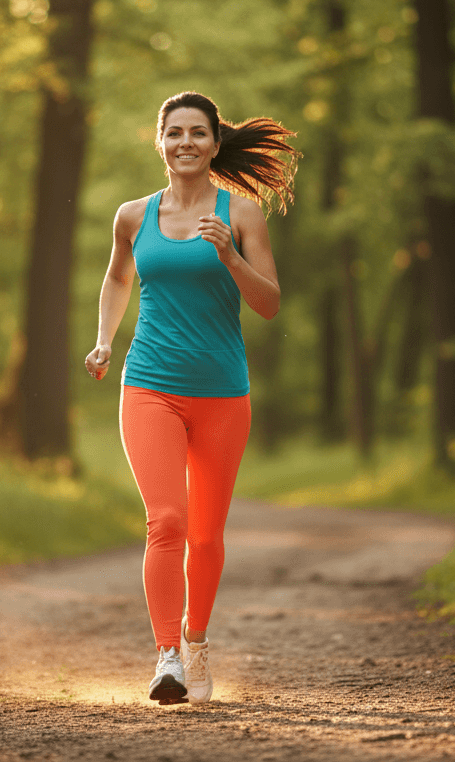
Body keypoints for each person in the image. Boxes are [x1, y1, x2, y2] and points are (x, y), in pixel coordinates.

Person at [83, 91, 299, 705]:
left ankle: (197, 641)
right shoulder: (133, 216)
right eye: (174, 133)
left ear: (214, 143)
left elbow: (269, 303)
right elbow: (118, 276)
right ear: (160, 142)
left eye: (198, 133)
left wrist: (229, 254)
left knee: (205, 535)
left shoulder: (242, 214)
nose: (186, 143)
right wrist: (103, 343)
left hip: (223, 392)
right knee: (167, 522)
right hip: (149, 383)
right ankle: (167, 657)